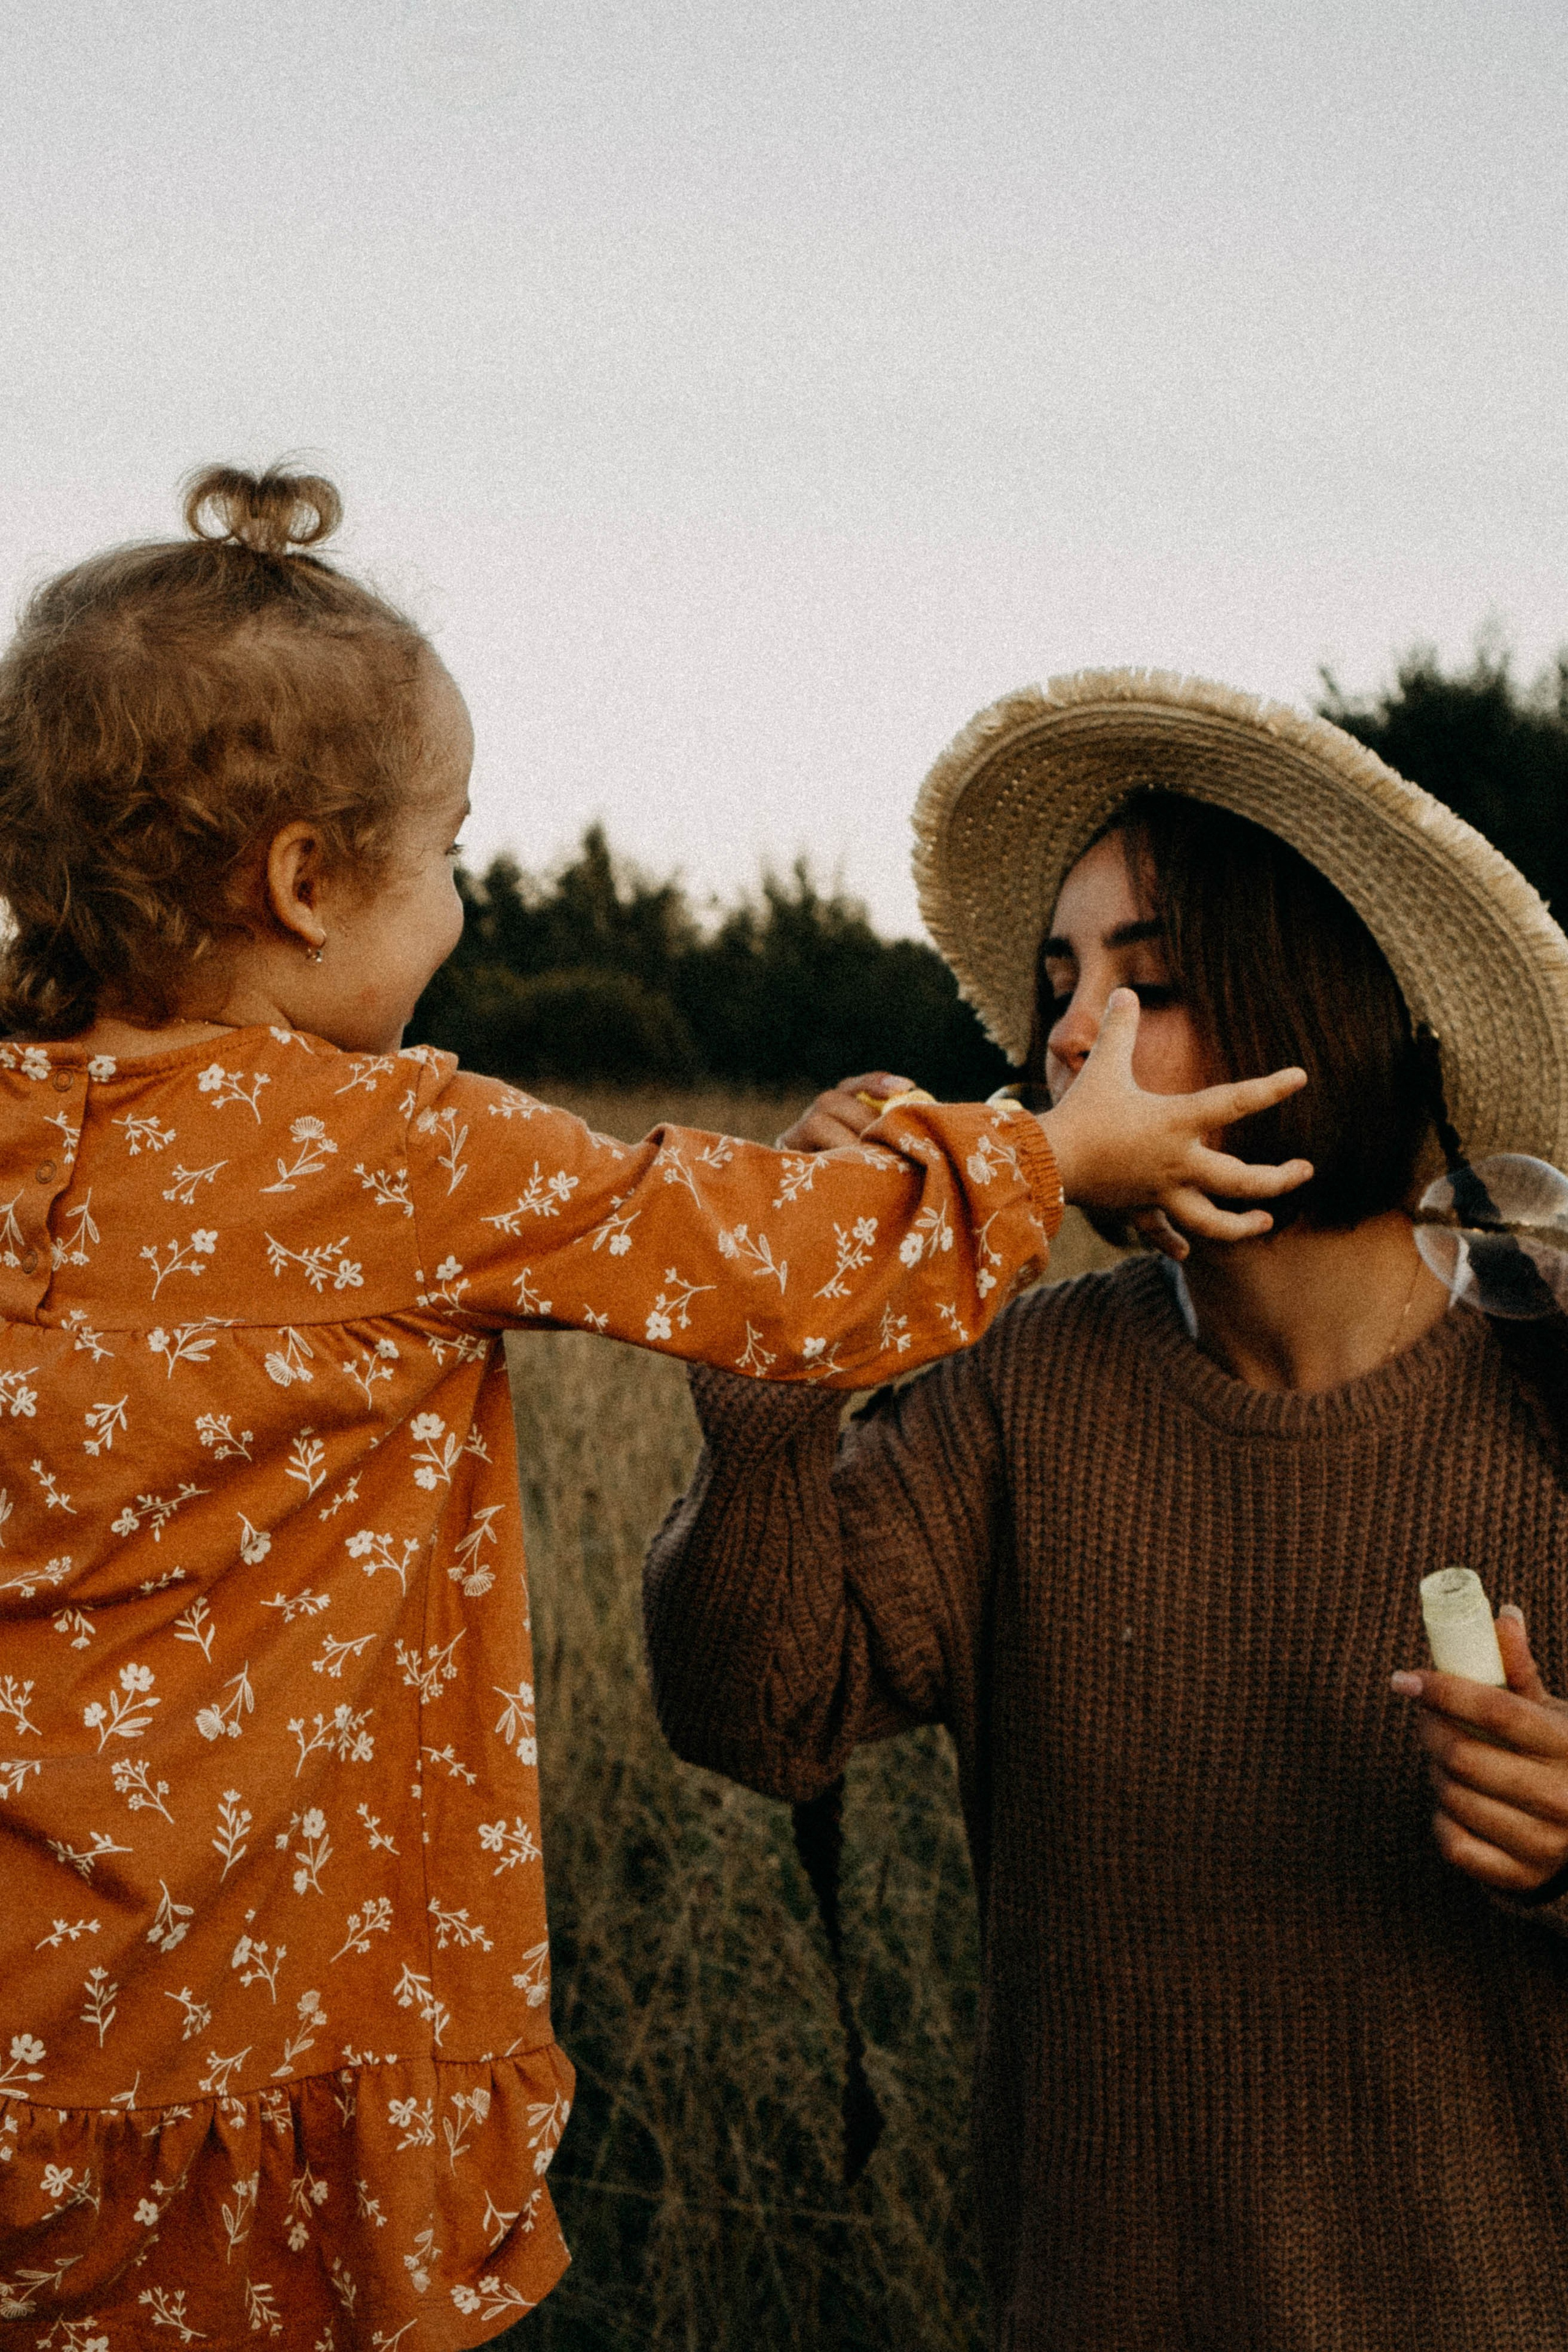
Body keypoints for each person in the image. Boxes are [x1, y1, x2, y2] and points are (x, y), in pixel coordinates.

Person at [0, 510, 1310, 2349]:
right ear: (304, 884)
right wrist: (1055, 1156)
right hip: (266, 2038)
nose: (466, 904)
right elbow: (768, 1266)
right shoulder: (392, 1152)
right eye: (447, 857)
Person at [644, 669, 1568, 2352]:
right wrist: (777, 1349)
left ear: (1324, 1010)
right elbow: (755, 1718)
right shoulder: (1028, 1388)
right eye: (1057, 985)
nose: (1064, 1038)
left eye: (1150, 982)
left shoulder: (1555, 1394)